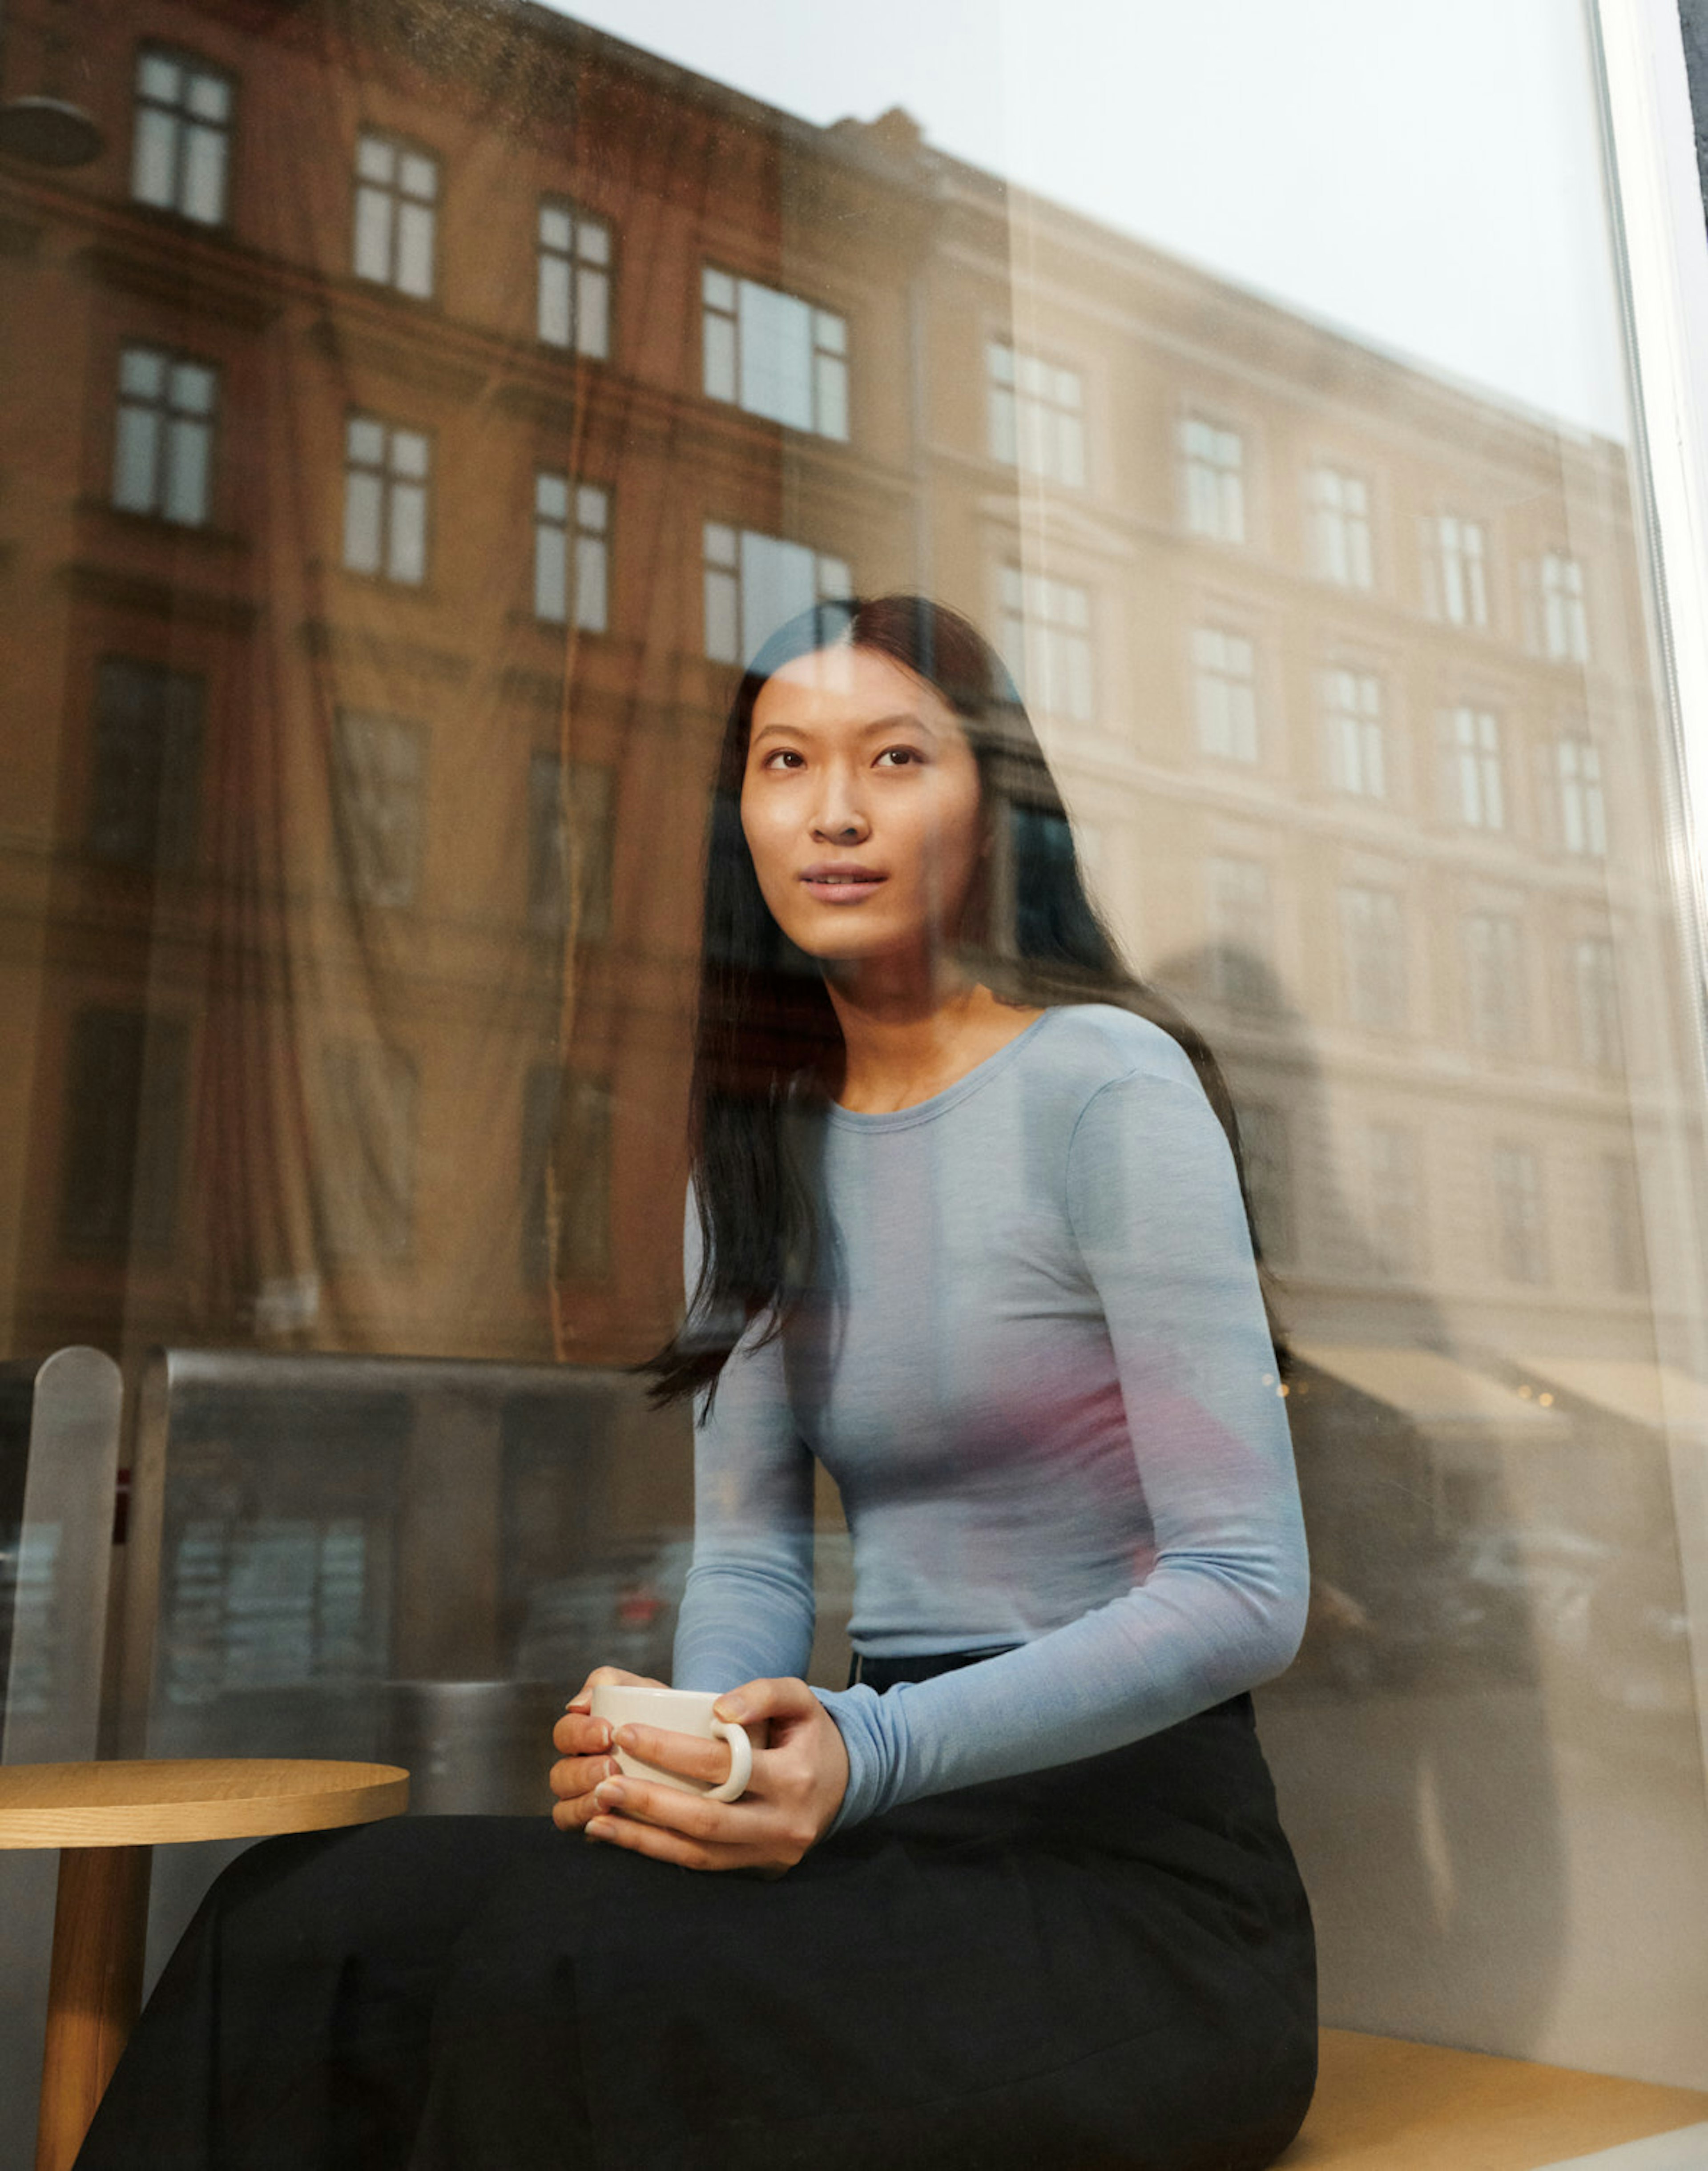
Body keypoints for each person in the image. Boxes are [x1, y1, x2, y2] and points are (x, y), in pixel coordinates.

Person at [74, 596, 1316, 2171]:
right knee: (301, 1924)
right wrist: (698, 1746)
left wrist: (863, 1753)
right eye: (786, 761)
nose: (836, 810)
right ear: (742, 816)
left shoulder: (1107, 1086)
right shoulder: (758, 1139)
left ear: (993, 805)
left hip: (1138, 1894)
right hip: (876, 1831)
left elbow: (1244, 1586)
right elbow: (748, 1554)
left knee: (560, 1979)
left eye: (896, 757)